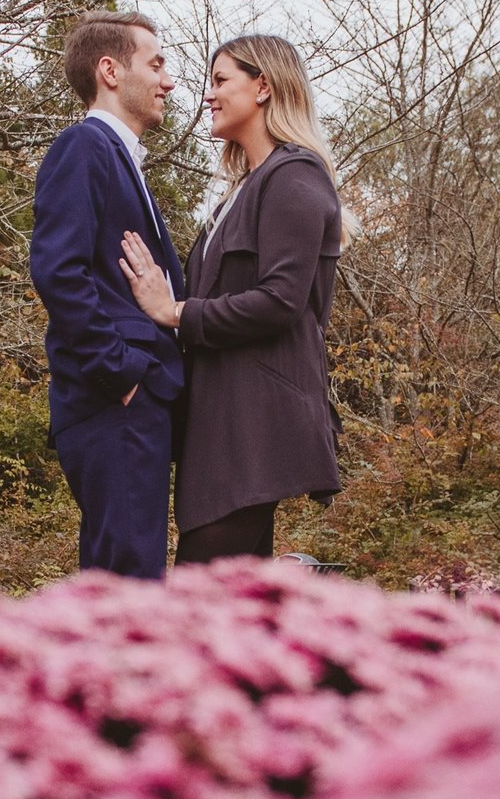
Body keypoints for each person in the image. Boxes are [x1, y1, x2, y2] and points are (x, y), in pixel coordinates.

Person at [117, 33, 342, 563]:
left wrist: (176, 312)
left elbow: (281, 301)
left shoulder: (293, 175)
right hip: (223, 426)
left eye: (221, 81)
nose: (208, 95)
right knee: (233, 613)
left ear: (263, 86)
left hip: (255, 428)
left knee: (199, 601)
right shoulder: (242, 189)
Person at [28, 10, 188, 578]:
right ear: (110, 71)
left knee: (121, 575)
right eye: (156, 63)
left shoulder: (120, 157)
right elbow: (57, 270)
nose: (168, 80)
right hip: (112, 401)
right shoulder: (84, 147)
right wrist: (118, 371)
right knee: (129, 581)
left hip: (132, 403)